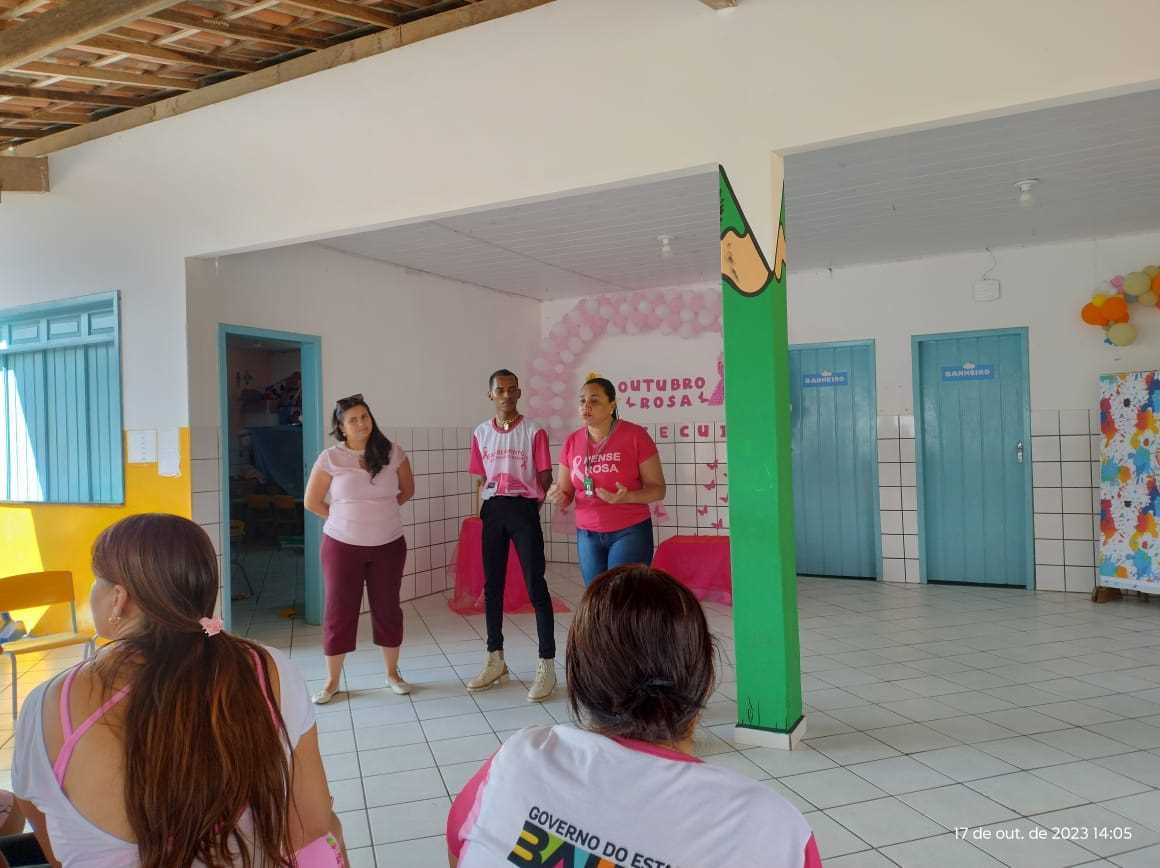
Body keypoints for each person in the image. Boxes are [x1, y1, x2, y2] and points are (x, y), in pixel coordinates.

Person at [11, 514, 346, 868]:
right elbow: (313, 826)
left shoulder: (48, 705)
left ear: (119, 598)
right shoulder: (269, 670)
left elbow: (53, 843)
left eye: (98, 580)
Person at [445, 565, 822, 867]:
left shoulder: (519, 758)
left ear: (578, 679)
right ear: (704, 682)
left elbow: (459, 851)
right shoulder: (770, 829)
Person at [304, 393, 415, 704]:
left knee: (388, 608)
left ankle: (393, 674)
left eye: (364, 416)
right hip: (342, 546)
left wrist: (379, 515)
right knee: (339, 611)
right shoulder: (330, 458)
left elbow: (407, 489)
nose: (361, 423)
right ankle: (332, 681)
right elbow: (311, 501)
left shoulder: (392, 452)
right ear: (341, 427)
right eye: (353, 419)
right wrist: (343, 518)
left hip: (389, 544)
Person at [465, 369, 557, 702]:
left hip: (523, 510)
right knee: (493, 586)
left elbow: (546, 476)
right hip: (493, 511)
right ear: (490, 395)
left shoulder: (534, 431)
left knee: (536, 584)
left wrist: (549, 496)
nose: (505, 395)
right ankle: (495, 658)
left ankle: (547, 663)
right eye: (499, 390)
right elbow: (479, 479)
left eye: (511, 389)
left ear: (519, 393)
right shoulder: (480, 433)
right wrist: (479, 513)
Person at [546, 375, 666, 585]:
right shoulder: (572, 441)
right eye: (582, 400)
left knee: (622, 598)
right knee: (596, 598)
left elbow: (658, 490)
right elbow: (565, 495)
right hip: (587, 534)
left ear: (611, 405)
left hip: (630, 530)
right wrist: (557, 496)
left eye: (594, 400)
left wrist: (628, 496)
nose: (586, 406)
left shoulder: (635, 435)